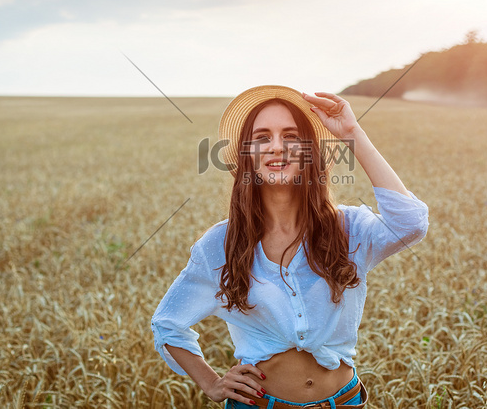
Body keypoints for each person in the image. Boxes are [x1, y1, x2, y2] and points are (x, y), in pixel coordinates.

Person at [151, 85, 429, 408]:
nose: (277, 147)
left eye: (291, 136)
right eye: (262, 137)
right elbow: (167, 323)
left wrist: (352, 132)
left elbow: (411, 223)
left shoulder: (349, 230)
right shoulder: (220, 245)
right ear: (247, 155)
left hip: (345, 401)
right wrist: (211, 383)